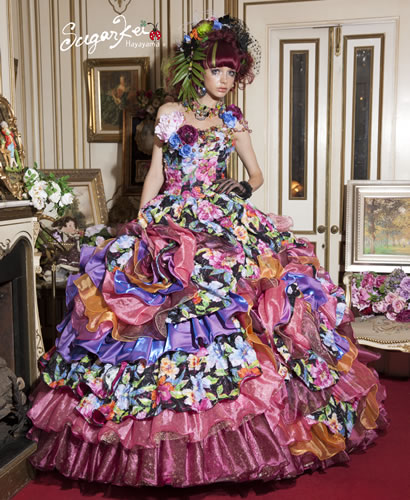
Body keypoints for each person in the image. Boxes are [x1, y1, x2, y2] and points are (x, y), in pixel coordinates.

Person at [27, 16, 387, 487]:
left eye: (232, 73)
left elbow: (256, 174)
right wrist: (144, 218)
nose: (225, 80)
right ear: (199, 69)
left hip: (219, 215)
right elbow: (156, 172)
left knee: (242, 301)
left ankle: (244, 424)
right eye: (218, 70)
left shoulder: (232, 119)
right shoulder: (171, 113)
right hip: (171, 217)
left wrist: (242, 188)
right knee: (152, 303)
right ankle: (159, 429)